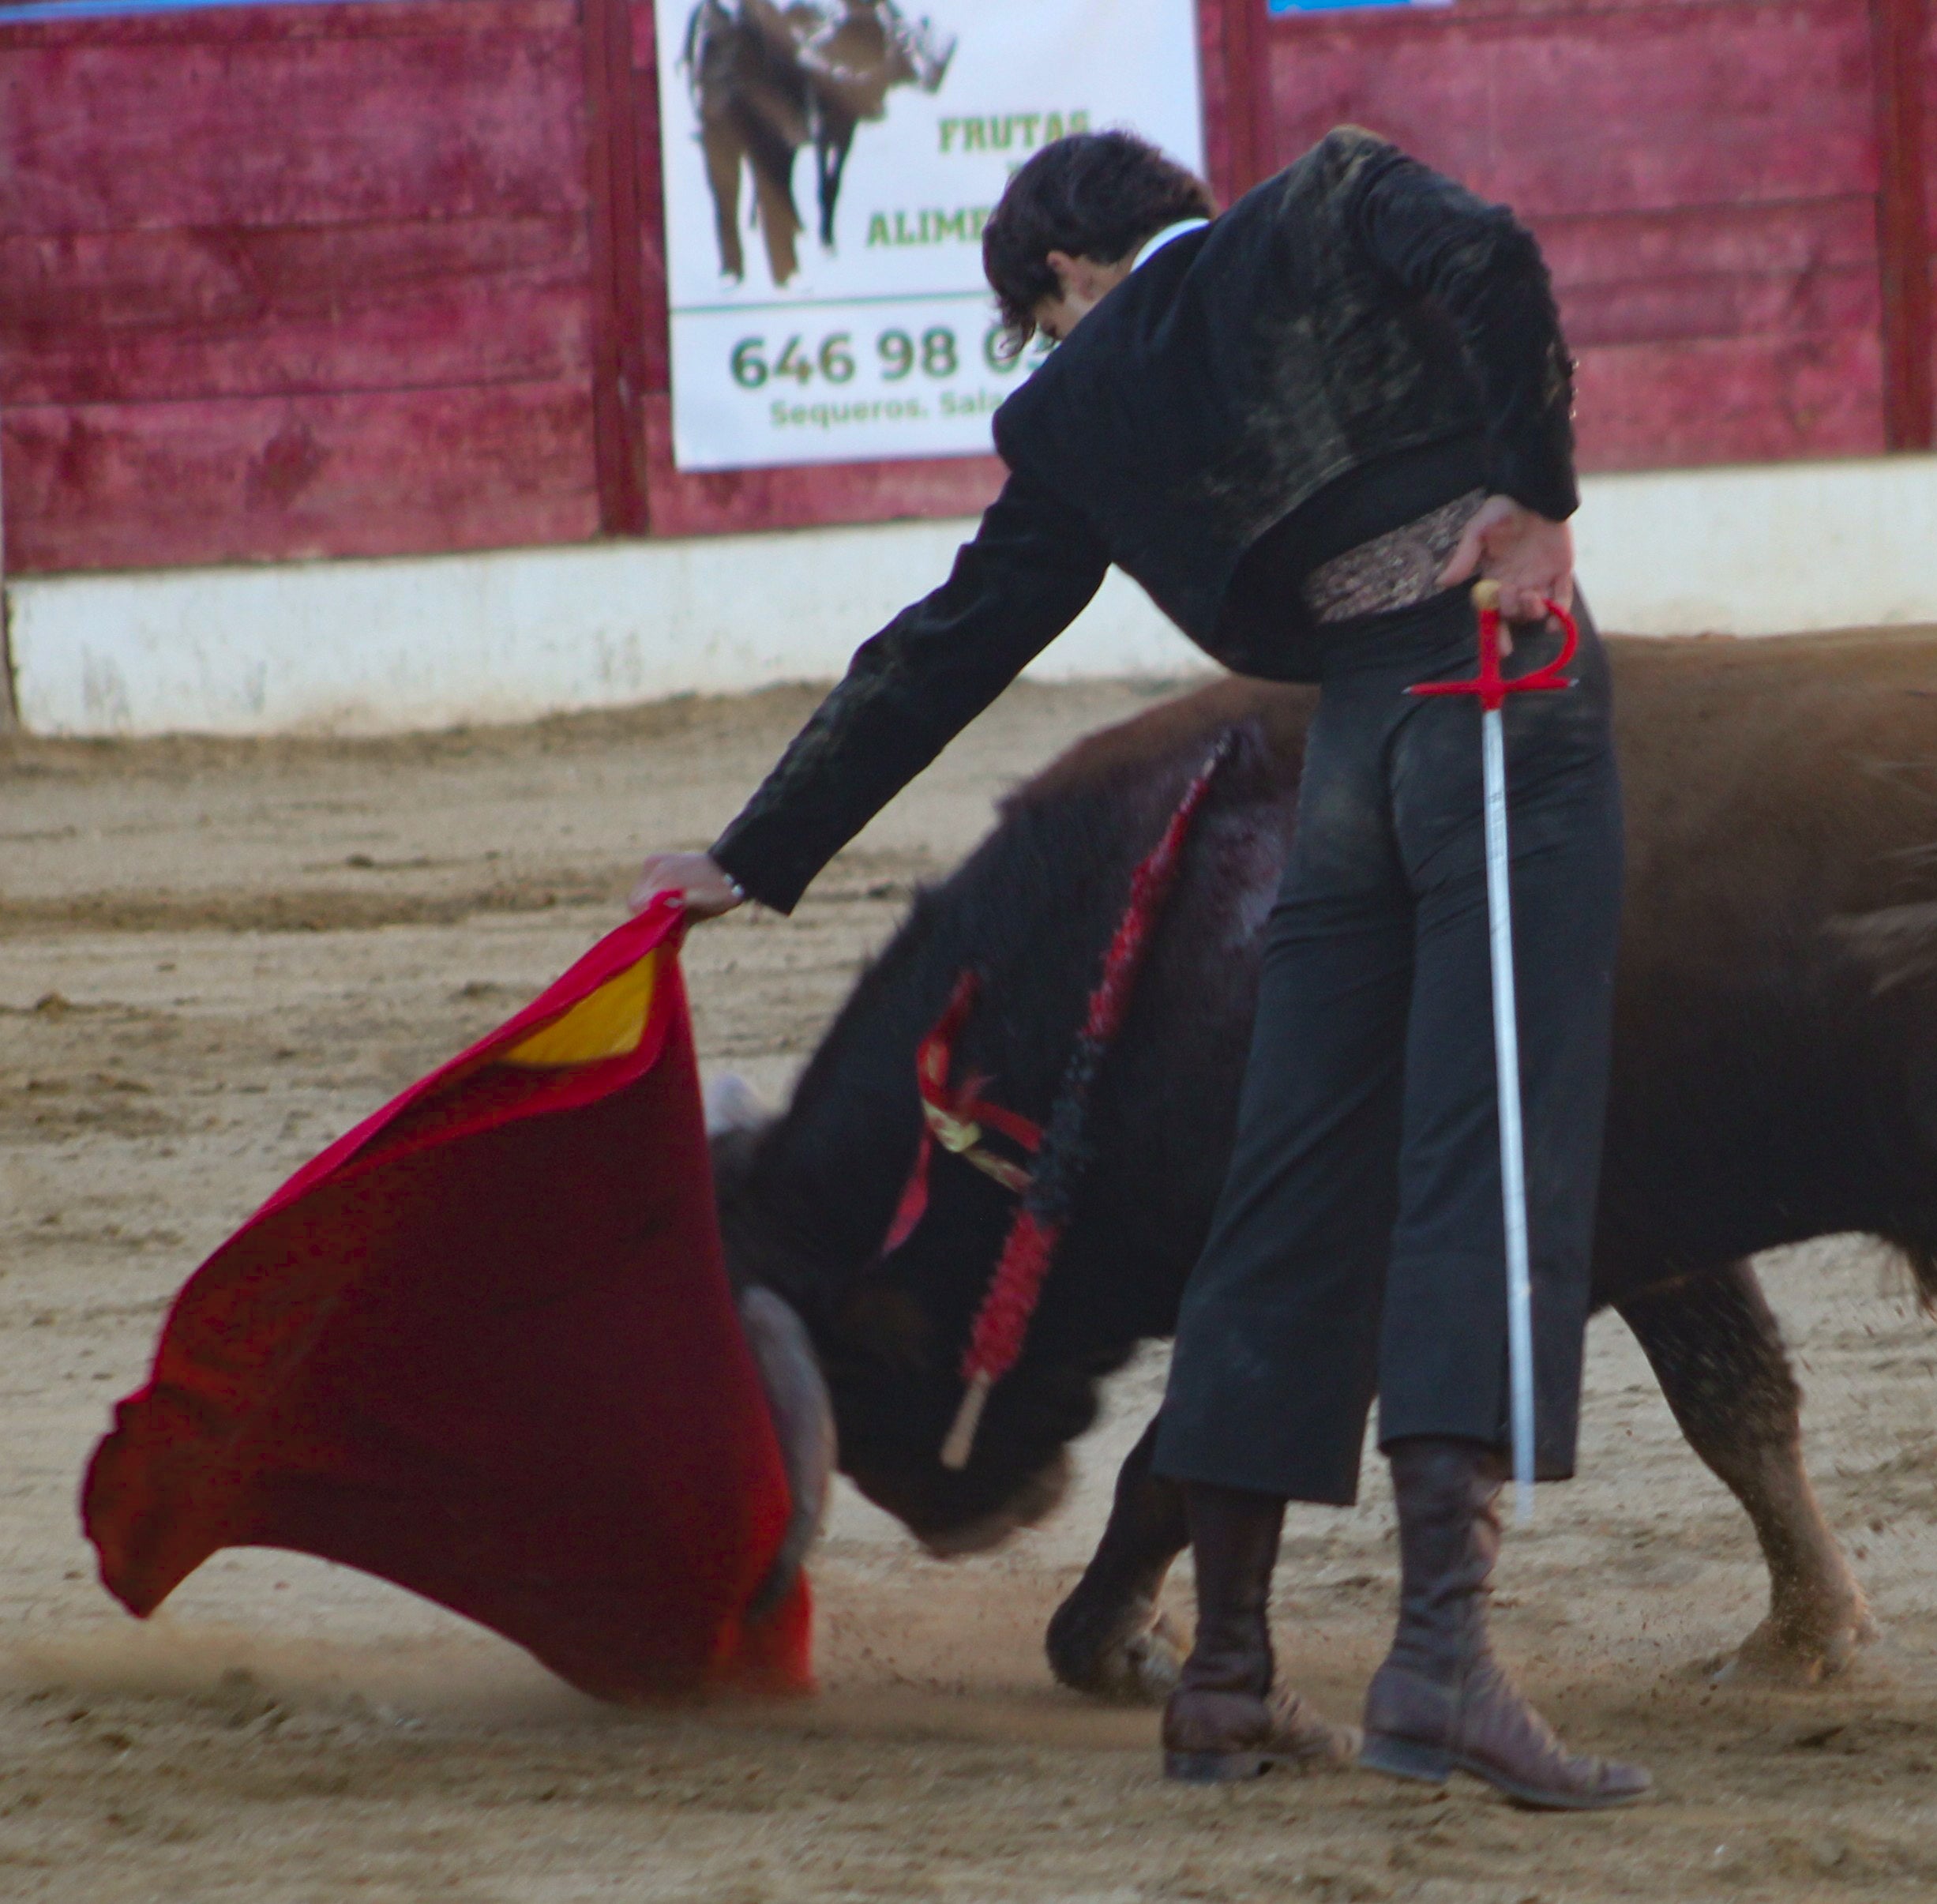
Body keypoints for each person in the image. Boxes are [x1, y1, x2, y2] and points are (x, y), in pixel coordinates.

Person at [634, 126, 1646, 1811]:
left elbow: (952, 639)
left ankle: (1230, 1682)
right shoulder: (1329, 198)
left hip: (1337, 747)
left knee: (1286, 1188)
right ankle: (1442, 1667)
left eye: (1033, 319)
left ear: (1066, 273)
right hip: (1487, 686)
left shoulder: (1069, 407)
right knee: (1478, 1165)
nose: (1043, 347)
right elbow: (1500, 261)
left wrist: (756, 853)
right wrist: (1538, 497)